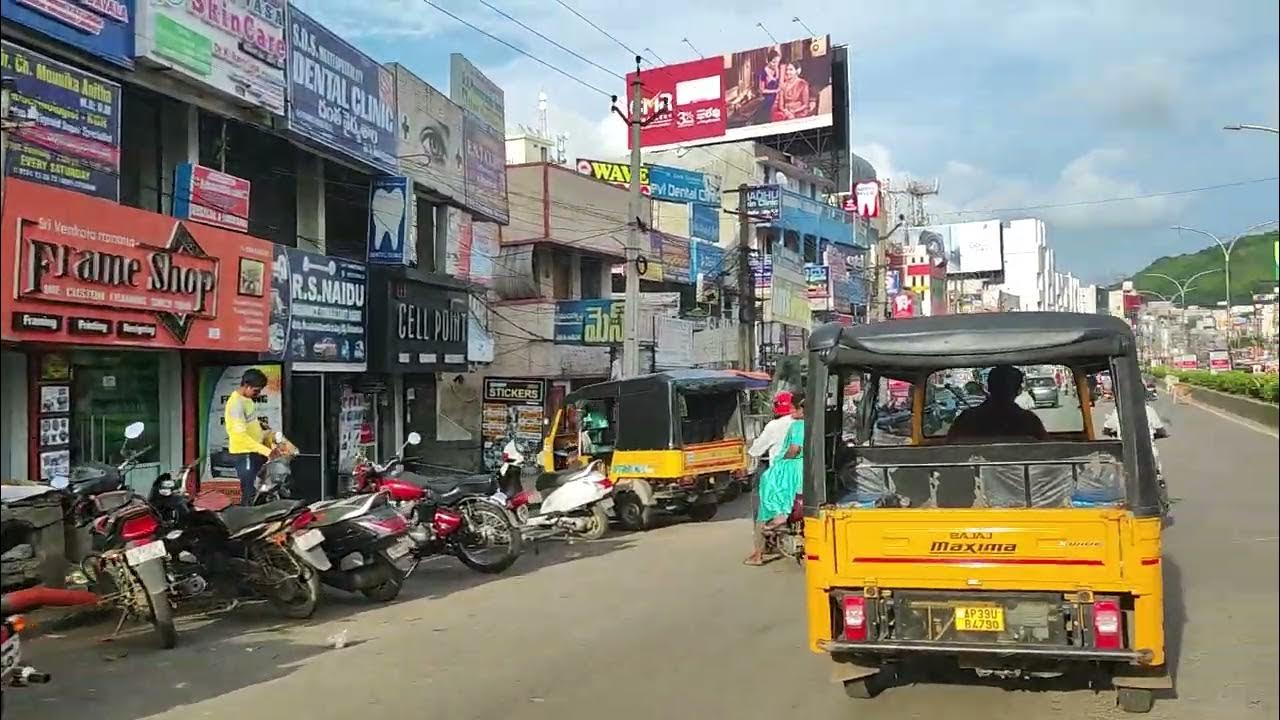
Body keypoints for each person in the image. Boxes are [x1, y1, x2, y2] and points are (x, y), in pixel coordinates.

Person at [745, 392, 805, 566]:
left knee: (762, 506)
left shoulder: (776, 425)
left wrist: (779, 460)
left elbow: (756, 450)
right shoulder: (810, 423)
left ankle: (759, 554)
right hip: (806, 472)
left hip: (783, 471)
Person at [946, 365, 1048, 442]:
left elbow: (949, 447)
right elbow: (1046, 449)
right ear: (1019, 390)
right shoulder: (1029, 420)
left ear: (988, 388)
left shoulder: (966, 418)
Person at [224, 368, 275, 505]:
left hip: (254, 452)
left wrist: (262, 429)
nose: (257, 394)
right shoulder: (236, 404)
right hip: (244, 453)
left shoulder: (246, 400)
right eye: (256, 391)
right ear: (247, 386)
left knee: (260, 491)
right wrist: (267, 451)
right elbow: (241, 437)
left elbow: (249, 423)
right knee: (250, 493)